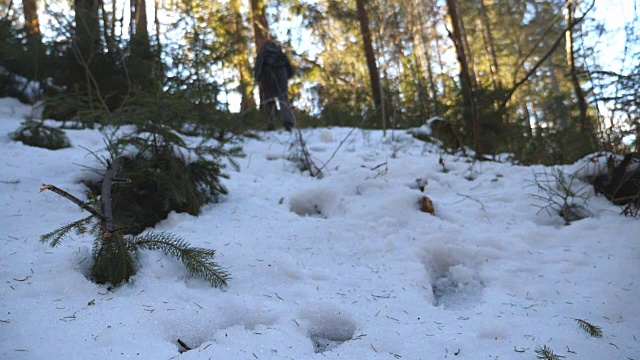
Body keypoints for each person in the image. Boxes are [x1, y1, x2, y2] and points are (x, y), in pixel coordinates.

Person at [254, 38, 294, 131]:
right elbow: (289, 68)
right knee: (284, 100)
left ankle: (270, 124)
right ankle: (288, 123)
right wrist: (287, 77)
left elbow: (259, 66)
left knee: (269, 102)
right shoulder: (280, 52)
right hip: (282, 78)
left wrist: (258, 78)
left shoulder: (263, 52)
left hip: (268, 79)